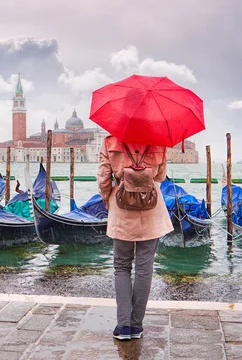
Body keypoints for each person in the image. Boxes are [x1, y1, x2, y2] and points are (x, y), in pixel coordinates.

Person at [96, 135, 173, 341]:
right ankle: (136, 325)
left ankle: (124, 326)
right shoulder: (159, 140)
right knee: (144, 268)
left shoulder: (110, 141)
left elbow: (104, 177)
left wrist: (107, 198)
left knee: (121, 266)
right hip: (151, 207)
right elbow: (160, 177)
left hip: (121, 207)